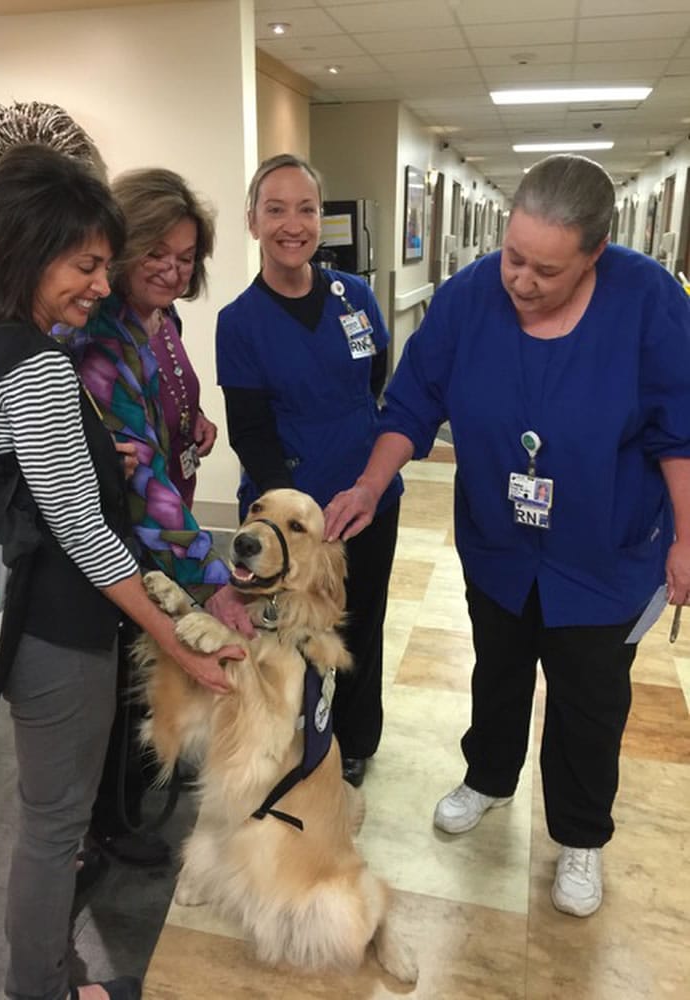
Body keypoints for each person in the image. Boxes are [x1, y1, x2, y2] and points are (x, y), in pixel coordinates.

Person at [323, 154, 690, 917]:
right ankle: (488, 777)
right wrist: (368, 483)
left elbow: (678, 430)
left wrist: (687, 537)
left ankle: (580, 837)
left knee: (589, 699)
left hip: (603, 550)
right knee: (498, 669)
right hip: (501, 541)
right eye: (513, 256)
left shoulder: (647, 301)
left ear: (596, 255)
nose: (520, 280)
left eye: (546, 270)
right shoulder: (466, 300)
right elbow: (413, 404)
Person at [0, 143, 244, 1000]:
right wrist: (179, 644)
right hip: (58, 628)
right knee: (53, 822)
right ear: (30, 251)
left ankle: (54, 973)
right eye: (86, 265)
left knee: (50, 816)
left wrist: (87, 453)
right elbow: (86, 533)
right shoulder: (38, 367)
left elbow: (3, 459)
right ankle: (39, 986)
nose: (102, 286)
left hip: (17, 608)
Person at [68, 168, 253, 864]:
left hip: (160, 526)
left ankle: (122, 808)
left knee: (144, 682)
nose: (174, 271)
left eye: (186, 257)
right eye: (158, 254)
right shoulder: (101, 341)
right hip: (122, 538)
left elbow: (163, 412)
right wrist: (214, 578)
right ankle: (99, 832)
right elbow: (140, 480)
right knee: (112, 690)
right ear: (121, 248)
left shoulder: (163, 319)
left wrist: (194, 423)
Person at [216, 153, 402, 788]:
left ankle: (352, 741)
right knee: (290, 629)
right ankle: (288, 737)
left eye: (306, 208)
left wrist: (364, 477)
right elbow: (250, 429)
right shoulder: (239, 322)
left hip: (368, 499)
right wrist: (295, 517)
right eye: (276, 209)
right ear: (252, 221)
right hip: (291, 514)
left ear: (321, 218)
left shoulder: (354, 295)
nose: (293, 224)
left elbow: (374, 377)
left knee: (358, 619)